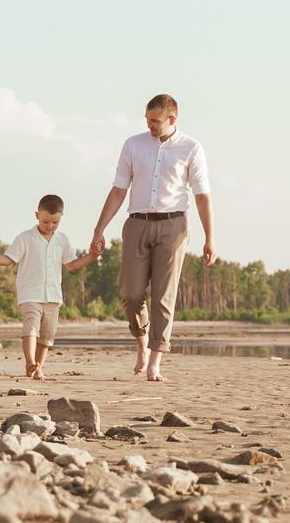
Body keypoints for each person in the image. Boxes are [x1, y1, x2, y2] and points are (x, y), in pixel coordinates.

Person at [89, 92, 217, 382]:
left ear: (172, 119)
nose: (150, 125)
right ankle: (141, 344)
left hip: (173, 226)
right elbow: (119, 189)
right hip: (137, 223)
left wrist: (210, 237)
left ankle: (155, 362)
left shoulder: (191, 148)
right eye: (147, 120)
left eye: (155, 121)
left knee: (163, 297)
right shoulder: (133, 145)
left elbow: (201, 196)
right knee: (131, 293)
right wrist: (99, 229)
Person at [0, 193, 101, 380]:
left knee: (46, 336)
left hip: (53, 296)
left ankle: (38, 368)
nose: (50, 226)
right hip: (30, 294)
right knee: (31, 327)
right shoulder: (25, 238)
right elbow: (8, 259)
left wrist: (91, 256)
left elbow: (71, 265)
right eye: (46, 221)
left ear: (61, 217)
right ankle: (29, 361)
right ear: (37, 215)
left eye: (55, 222)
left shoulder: (62, 240)